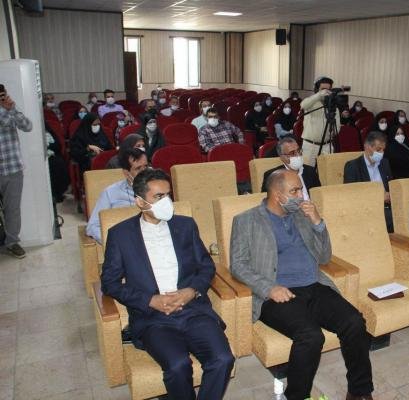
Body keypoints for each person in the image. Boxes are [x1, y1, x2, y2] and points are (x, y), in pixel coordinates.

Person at [230, 169, 374, 400]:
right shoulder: (246, 220)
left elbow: (325, 257)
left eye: (301, 190)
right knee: (311, 336)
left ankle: (359, 392)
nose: (301, 196)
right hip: (278, 293)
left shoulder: (302, 215)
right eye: (295, 191)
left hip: (314, 285)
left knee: (354, 322)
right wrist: (268, 288)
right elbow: (238, 265)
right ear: (277, 195)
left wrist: (318, 222)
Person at [101, 168, 234, 400]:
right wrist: (149, 300)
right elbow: (109, 283)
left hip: (193, 311)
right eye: (158, 197)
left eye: (168, 195)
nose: (167, 202)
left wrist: (191, 291)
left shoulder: (185, 225)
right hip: (154, 319)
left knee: (223, 359)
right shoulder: (121, 235)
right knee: (177, 365)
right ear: (140, 202)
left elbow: (206, 267)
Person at [86, 148, 148, 243]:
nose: (145, 172)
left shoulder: (158, 188)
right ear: (126, 173)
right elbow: (92, 227)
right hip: (125, 241)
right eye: (138, 168)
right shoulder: (110, 193)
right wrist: (115, 242)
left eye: (146, 166)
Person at [0, 84, 33, 258]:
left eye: (3, 94)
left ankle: (12, 242)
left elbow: (28, 126)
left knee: (12, 209)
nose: (3, 98)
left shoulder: (11, 108)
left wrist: (11, 109)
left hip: (12, 168)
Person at [343, 131, 393, 232]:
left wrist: (391, 195)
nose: (381, 153)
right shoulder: (352, 166)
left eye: (383, 150)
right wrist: (378, 197)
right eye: (378, 150)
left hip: (387, 207)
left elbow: (391, 186)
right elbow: (350, 195)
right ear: (366, 146)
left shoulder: (384, 163)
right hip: (366, 210)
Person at [300, 76, 340, 166]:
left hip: (327, 146)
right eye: (323, 89)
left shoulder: (333, 107)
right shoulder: (312, 103)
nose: (325, 92)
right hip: (310, 146)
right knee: (308, 172)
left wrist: (332, 132)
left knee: (327, 172)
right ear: (317, 90)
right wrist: (319, 95)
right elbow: (303, 105)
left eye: (328, 89)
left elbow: (337, 126)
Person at [44, 122, 69, 203]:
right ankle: (53, 194)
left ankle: (59, 193)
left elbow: (58, 146)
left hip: (53, 156)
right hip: (42, 159)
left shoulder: (49, 133)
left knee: (59, 164)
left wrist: (49, 145)